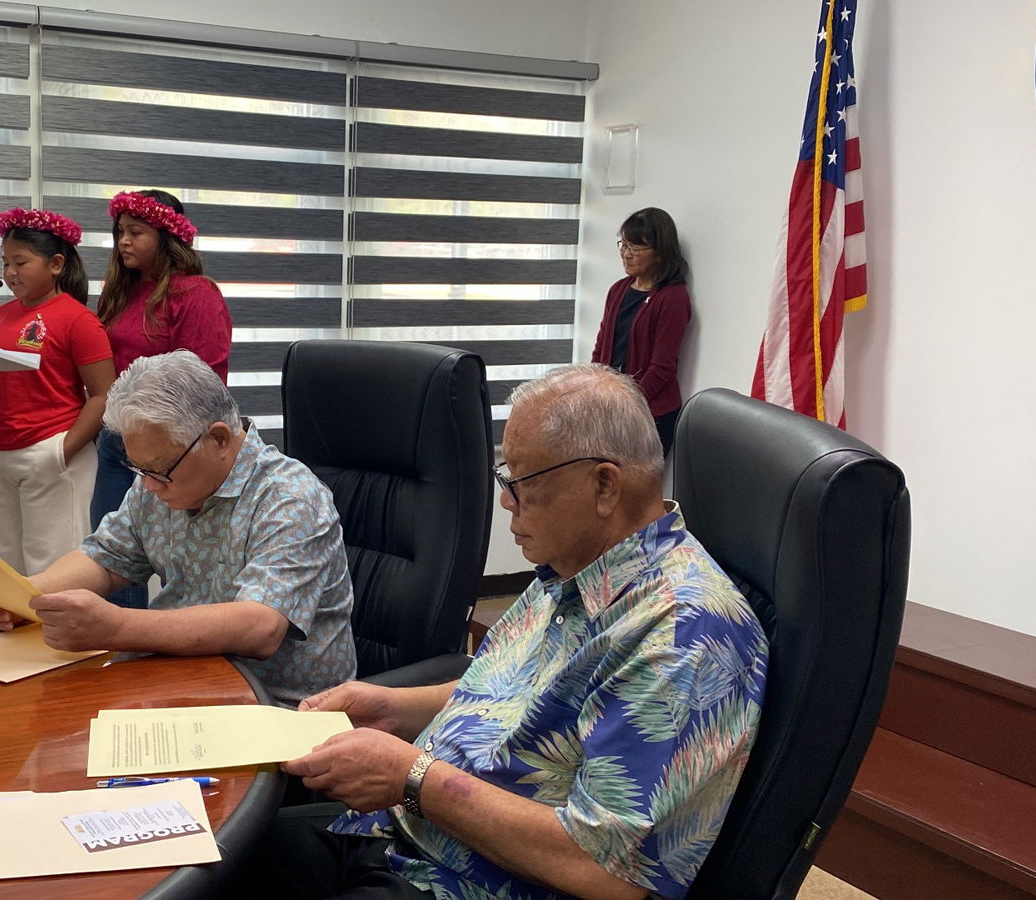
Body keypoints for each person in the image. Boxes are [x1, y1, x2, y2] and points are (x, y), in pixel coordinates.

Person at [239, 364, 769, 900]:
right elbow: (521, 689)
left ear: (604, 485)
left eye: (521, 483)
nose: (506, 502)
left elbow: (605, 870)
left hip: (468, 883)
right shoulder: (577, 565)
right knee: (217, 856)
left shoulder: (681, 636)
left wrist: (412, 775)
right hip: (401, 833)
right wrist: (397, 706)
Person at [0, 350, 355, 706]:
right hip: (181, 680)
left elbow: (259, 626)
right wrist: (28, 597)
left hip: (276, 708)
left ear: (219, 438)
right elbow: (107, 559)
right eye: (141, 470)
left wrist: (116, 627)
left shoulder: (291, 498)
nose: (150, 486)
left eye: (160, 471)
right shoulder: (161, 477)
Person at [91, 189, 233, 608]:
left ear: (167, 237)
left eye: (136, 232)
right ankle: (120, 651)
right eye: (120, 232)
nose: (124, 241)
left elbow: (204, 381)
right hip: (117, 441)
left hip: (171, 447)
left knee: (183, 558)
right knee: (114, 554)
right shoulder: (121, 293)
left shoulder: (195, 294)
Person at [0, 208, 114, 576]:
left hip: (49, 453)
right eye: (5, 263)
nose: (10, 273)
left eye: (20, 262)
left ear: (56, 264)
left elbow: (104, 394)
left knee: (51, 570)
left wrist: (61, 453)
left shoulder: (78, 320)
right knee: (6, 568)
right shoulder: (1, 314)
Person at [591, 207, 692, 456]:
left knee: (634, 490)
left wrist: (628, 404)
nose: (626, 255)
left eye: (635, 249)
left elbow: (662, 367)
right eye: (623, 246)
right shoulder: (619, 290)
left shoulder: (672, 298)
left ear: (659, 253)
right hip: (613, 405)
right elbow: (601, 345)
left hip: (651, 413)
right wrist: (593, 388)